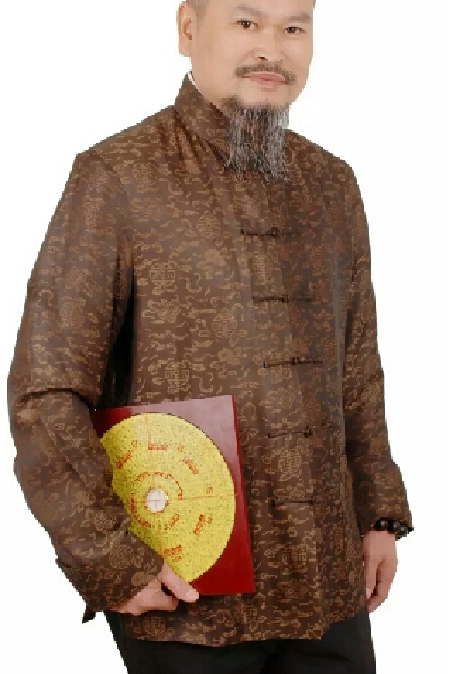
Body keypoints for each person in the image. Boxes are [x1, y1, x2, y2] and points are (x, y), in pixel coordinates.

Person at [7, 1, 414, 672]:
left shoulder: (332, 184)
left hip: (328, 578)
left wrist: (377, 515)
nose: (272, 49)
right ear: (188, 29)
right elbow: (45, 390)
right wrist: (113, 559)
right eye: (247, 23)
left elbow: (358, 368)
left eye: (294, 27)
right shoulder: (119, 175)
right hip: (185, 588)